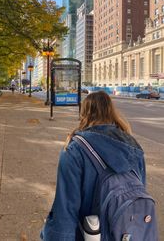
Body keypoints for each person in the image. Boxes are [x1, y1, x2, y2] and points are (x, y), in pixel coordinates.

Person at [40, 91, 146, 241]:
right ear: (111, 111)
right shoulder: (133, 147)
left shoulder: (75, 149)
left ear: (84, 113)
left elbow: (65, 210)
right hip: (125, 231)